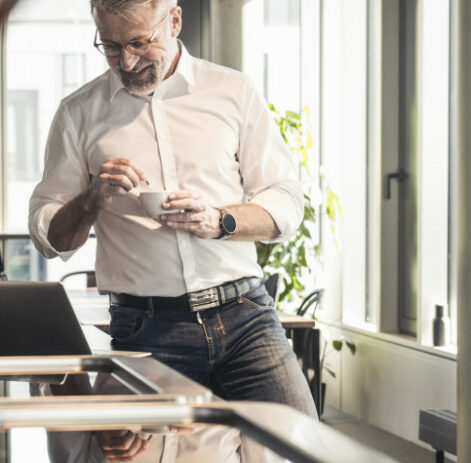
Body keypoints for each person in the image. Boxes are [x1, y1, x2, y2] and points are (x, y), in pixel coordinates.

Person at [28, 0, 316, 417]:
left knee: (305, 452)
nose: (125, 61)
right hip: (146, 330)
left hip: (246, 321)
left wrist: (220, 220)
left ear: (174, 21)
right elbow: (48, 239)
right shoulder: (78, 113)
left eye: (139, 42)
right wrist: (90, 200)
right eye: (110, 46)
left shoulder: (233, 92)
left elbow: (286, 199)